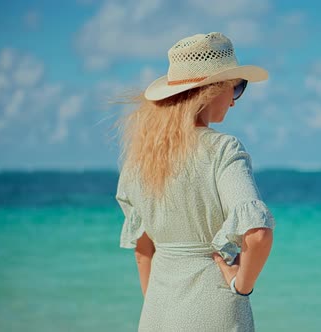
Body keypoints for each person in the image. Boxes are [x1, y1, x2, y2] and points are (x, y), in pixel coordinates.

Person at [115, 32, 276, 331]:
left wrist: (160, 305)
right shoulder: (223, 149)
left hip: (157, 314)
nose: (234, 102)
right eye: (237, 88)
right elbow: (258, 235)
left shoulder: (140, 158)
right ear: (212, 90)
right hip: (214, 311)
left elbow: (143, 250)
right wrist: (241, 286)